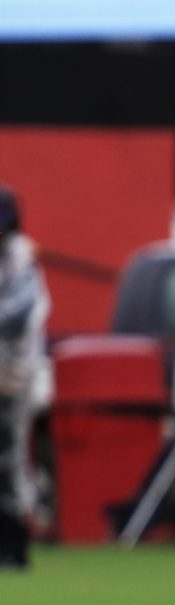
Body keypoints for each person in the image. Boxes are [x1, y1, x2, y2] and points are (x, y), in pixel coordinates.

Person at [0, 186, 49, 570]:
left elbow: (18, 316)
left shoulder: (21, 259)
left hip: (14, 373)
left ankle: (15, 546)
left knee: (12, 458)